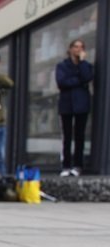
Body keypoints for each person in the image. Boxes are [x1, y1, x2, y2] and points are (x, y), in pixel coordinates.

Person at [56, 39, 94, 177]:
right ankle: (66, 165)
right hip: (66, 104)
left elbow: (87, 77)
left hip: (81, 105)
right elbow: (62, 82)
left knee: (80, 136)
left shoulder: (86, 65)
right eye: (76, 47)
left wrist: (82, 63)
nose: (79, 49)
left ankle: (78, 165)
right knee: (67, 136)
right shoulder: (62, 66)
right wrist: (78, 81)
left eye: (81, 47)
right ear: (70, 49)